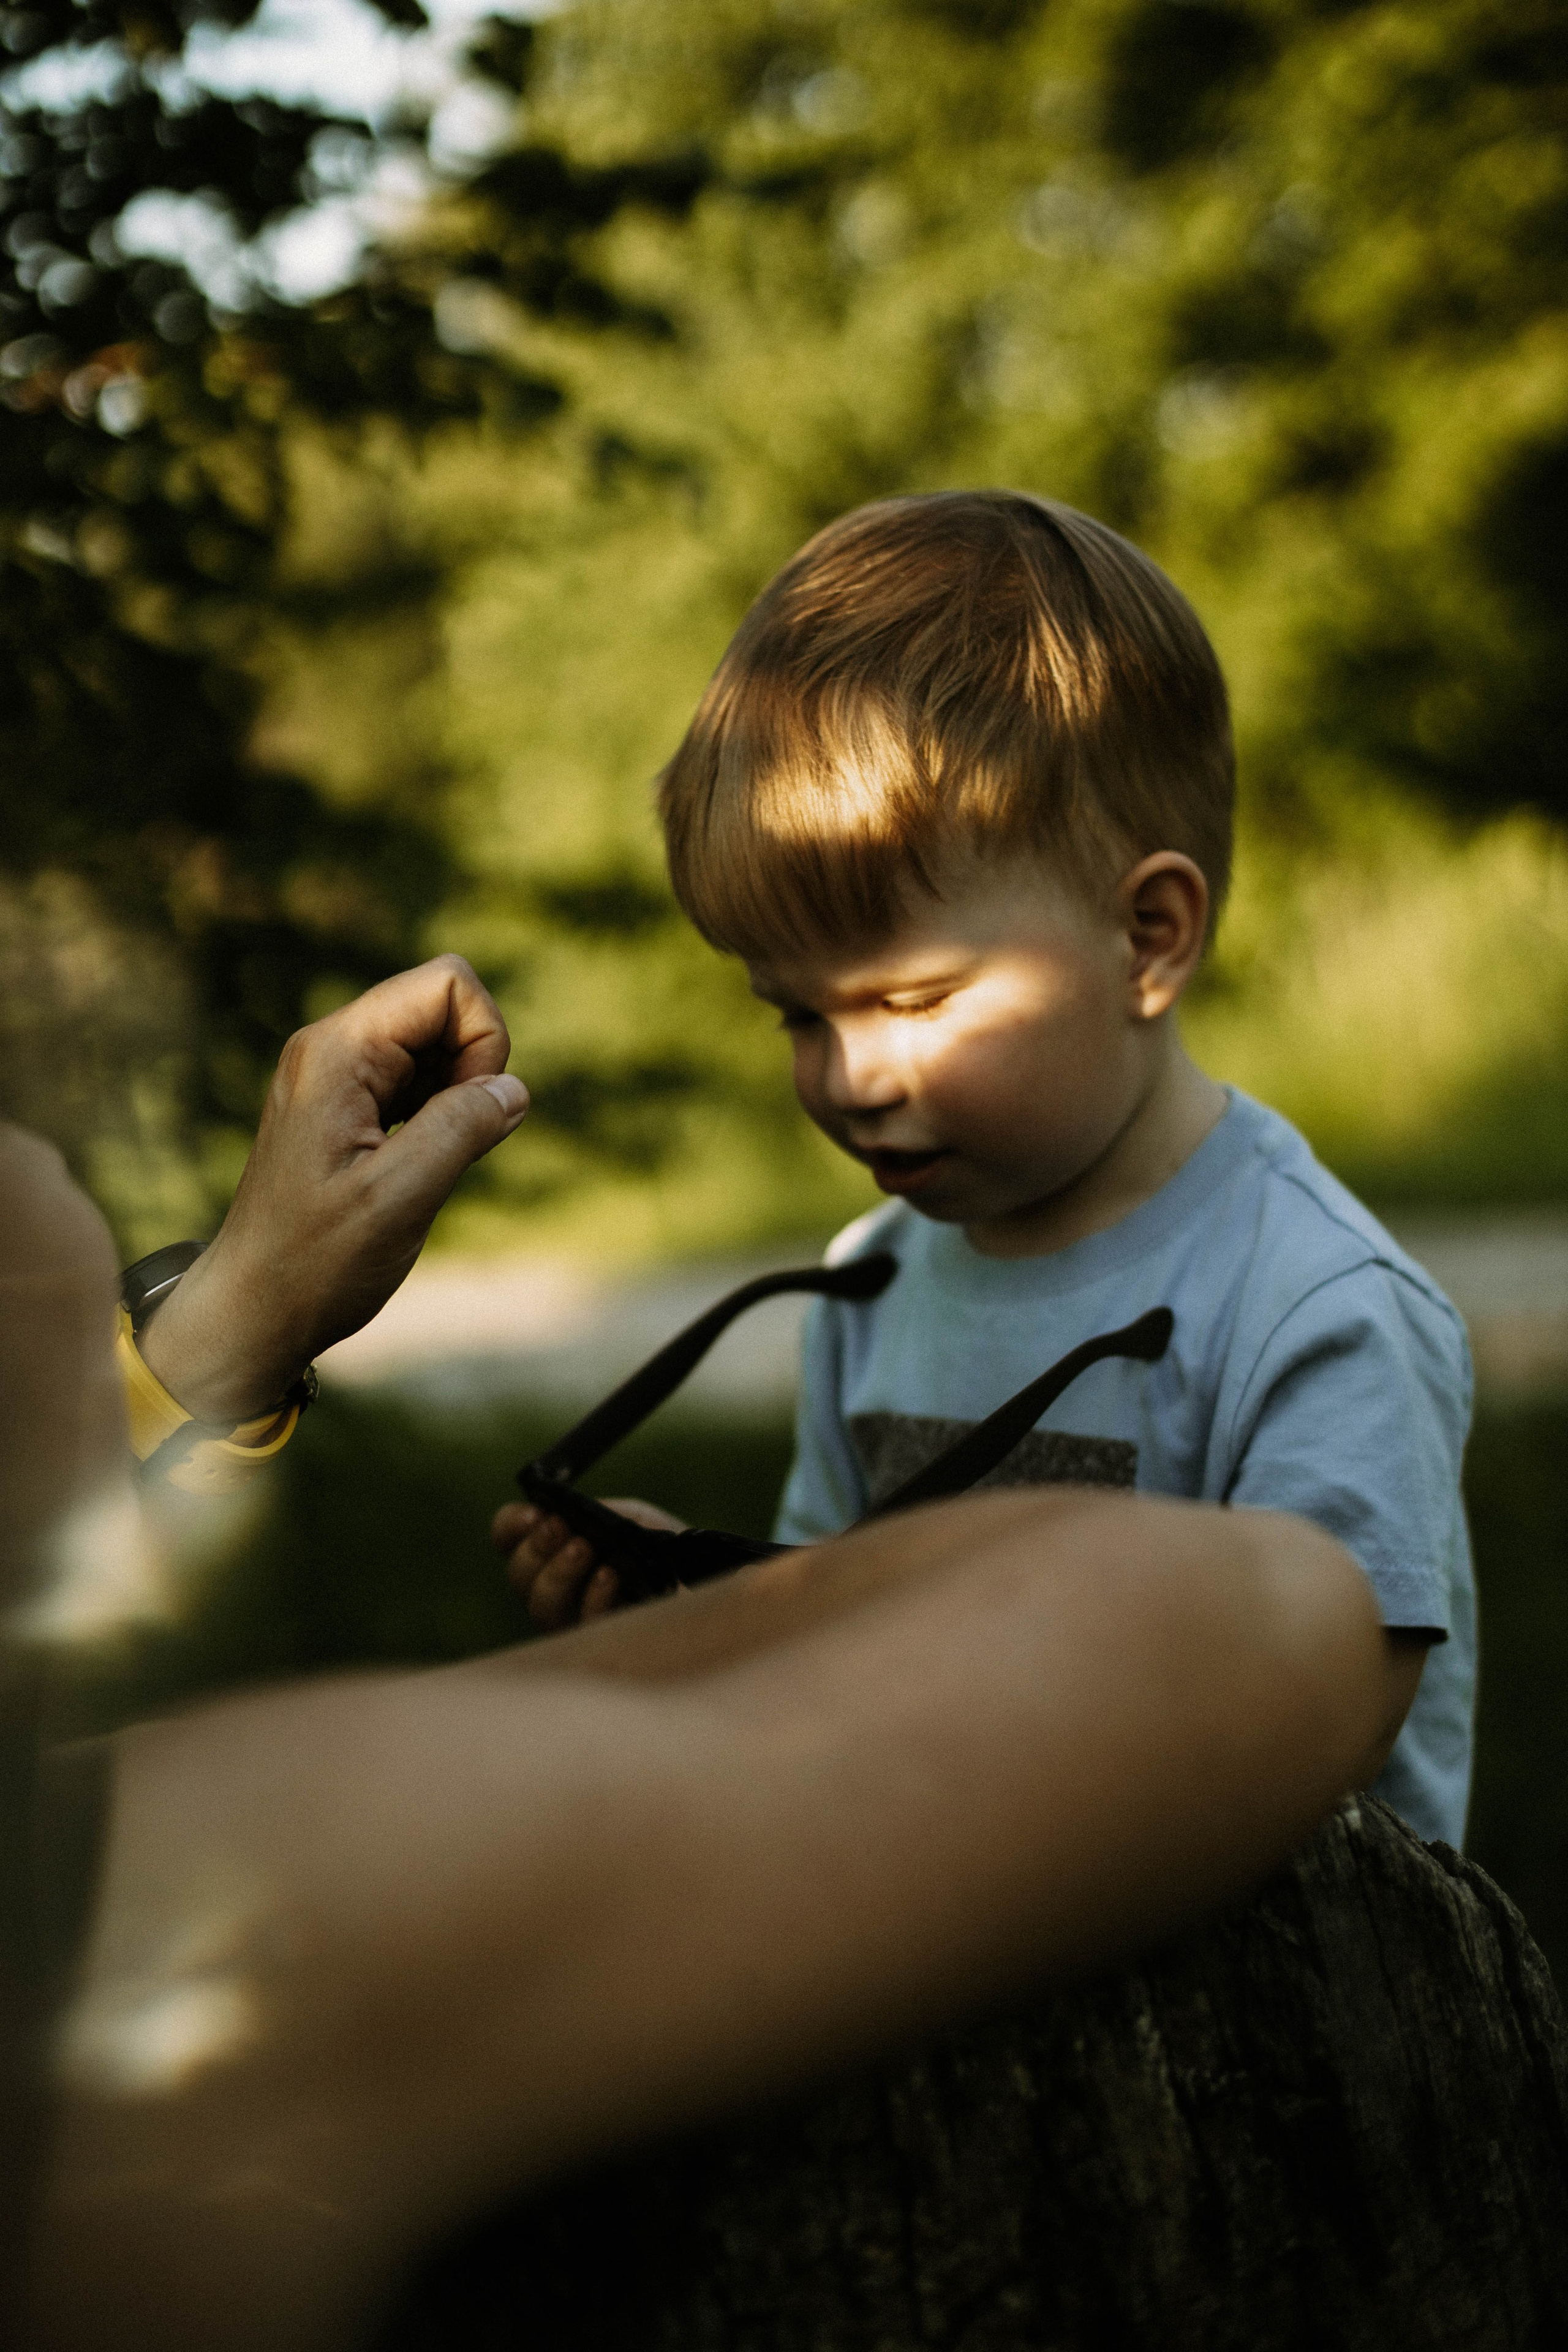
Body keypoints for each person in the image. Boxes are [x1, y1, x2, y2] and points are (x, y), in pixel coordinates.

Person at [3, 957, 1402, 2352]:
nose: (42, 1175)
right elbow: (1270, 1614)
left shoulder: (138, 1873)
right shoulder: (167, 1938)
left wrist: (230, 1322)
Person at [498, 490, 1472, 1849]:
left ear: (1146, 938)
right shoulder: (875, 1284)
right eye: (798, 1014)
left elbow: (1334, 1710)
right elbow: (835, 1635)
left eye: (910, 1001)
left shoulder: (1306, 1304)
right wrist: (708, 1603)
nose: (849, 1077)